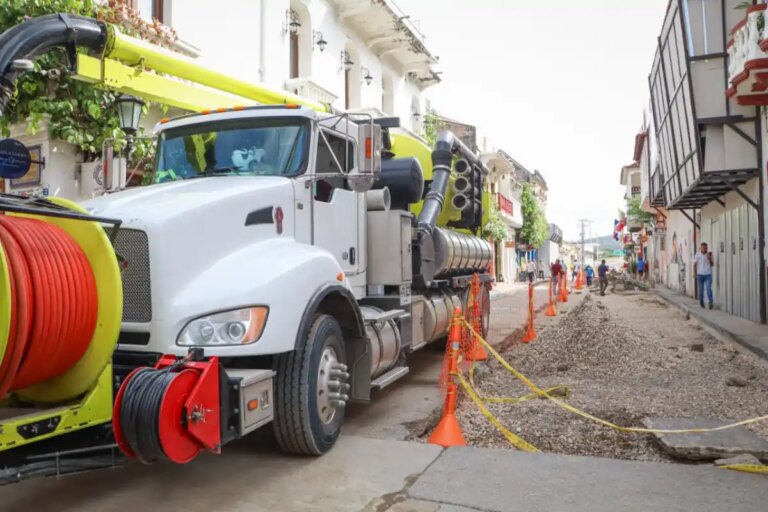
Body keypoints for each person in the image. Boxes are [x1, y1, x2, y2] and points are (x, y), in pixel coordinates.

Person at [694, 242, 714, 309]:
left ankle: (710, 302)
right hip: (700, 275)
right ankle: (701, 302)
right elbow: (695, 264)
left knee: (708, 288)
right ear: (701, 248)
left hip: (708, 274)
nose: (704, 249)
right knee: (701, 290)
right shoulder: (697, 255)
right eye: (703, 248)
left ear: (707, 248)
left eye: (705, 248)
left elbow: (712, 265)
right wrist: (695, 273)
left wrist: (709, 258)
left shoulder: (709, 255)